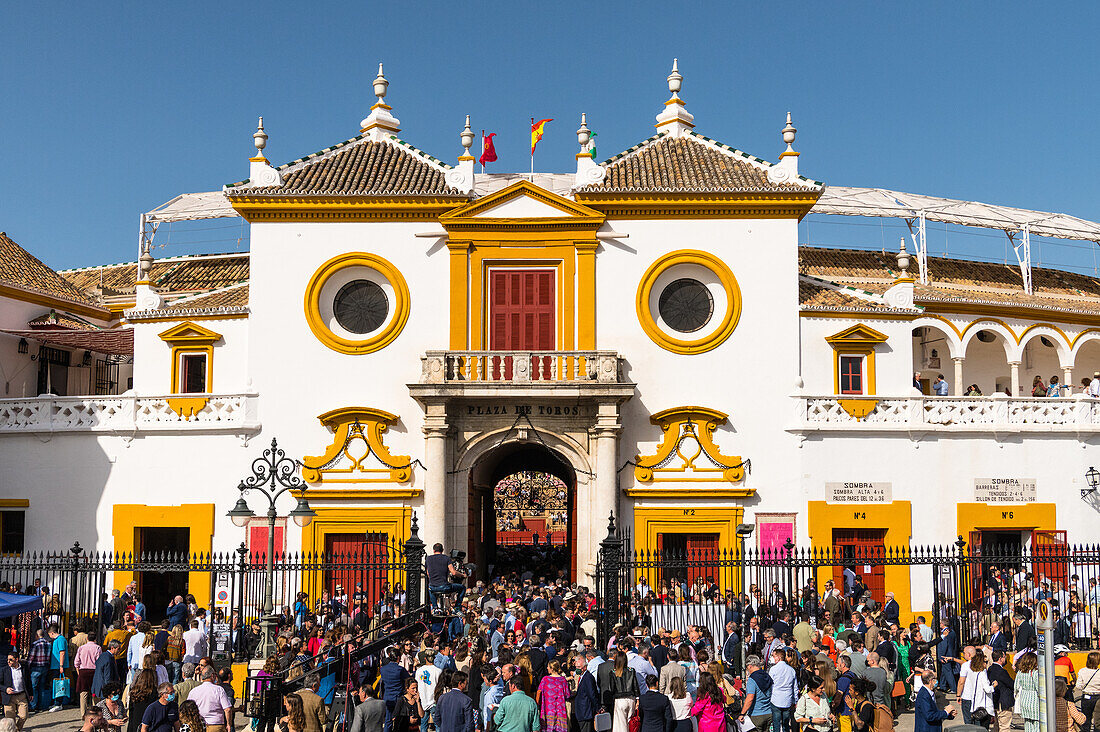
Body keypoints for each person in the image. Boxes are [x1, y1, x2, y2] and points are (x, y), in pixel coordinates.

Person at [186, 666, 232, 732]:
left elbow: (188, 708)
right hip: (216, 725)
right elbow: (227, 709)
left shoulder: (194, 691)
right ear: (212, 675)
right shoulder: (219, 690)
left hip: (199, 725)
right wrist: (228, 724)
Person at [426, 544, 467, 609]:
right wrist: (463, 575)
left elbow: (428, 573)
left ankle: (435, 607)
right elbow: (453, 572)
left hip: (433, 587)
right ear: (442, 550)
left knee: (430, 589)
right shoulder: (446, 558)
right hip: (444, 586)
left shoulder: (428, 559)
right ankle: (457, 607)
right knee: (462, 588)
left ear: (433, 550)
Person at [740, 655, 772, 732]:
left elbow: (750, 698)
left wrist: (742, 713)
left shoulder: (752, 679)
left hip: (756, 715)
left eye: (747, 667)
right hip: (769, 712)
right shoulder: (767, 676)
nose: (747, 669)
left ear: (750, 666)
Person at [609, 651, 639, 732]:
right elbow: (635, 686)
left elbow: (611, 689)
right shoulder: (631, 670)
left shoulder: (613, 672)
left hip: (620, 700)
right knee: (630, 723)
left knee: (621, 725)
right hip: (631, 699)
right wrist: (637, 699)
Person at [535, 660, 569, 732]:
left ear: (552, 668)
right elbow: (567, 695)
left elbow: (539, 692)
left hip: (548, 711)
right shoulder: (563, 680)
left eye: (548, 666)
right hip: (560, 711)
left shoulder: (545, 680)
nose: (547, 668)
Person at [0, 652, 30, 731]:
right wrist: (5, 689)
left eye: (10, 660)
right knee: (10, 719)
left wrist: (31, 693)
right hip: (9, 697)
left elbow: (28, 681)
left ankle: (17, 729)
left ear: (17, 660)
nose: (8, 662)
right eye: (7, 660)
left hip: (21, 695)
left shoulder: (24, 669)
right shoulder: (4, 670)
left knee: (24, 716)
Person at [769, 648, 797, 732]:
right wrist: (795, 700)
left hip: (775, 698)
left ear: (778, 657)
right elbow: (795, 687)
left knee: (776, 724)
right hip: (787, 699)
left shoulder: (773, 669)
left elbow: (770, 685)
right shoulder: (791, 670)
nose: (773, 658)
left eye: (774, 656)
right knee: (786, 724)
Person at [1073, 651, 1100, 732]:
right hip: (1098, 697)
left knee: (1086, 719)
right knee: (1098, 720)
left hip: (1086, 696)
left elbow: (1078, 686)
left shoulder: (1082, 671)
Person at [1015, 652, 1042, 732]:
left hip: (1024, 700)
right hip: (1035, 701)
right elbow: (1039, 688)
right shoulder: (1035, 672)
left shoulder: (1020, 672)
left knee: (1028, 724)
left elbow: (1016, 686)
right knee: (1037, 725)